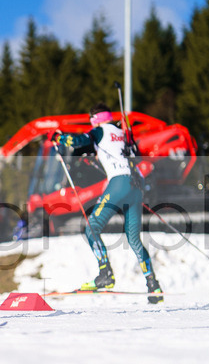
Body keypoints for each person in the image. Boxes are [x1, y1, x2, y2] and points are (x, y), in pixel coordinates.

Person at [54, 102, 163, 303]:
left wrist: (60, 137)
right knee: (134, 239)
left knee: (91, 227)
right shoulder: (120, 132)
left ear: (95, 119)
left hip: (119, 184)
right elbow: (126, 154)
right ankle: (153, 286)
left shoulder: (99, 131)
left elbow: (78, 140)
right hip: (136, 185)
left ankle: (105, 274)